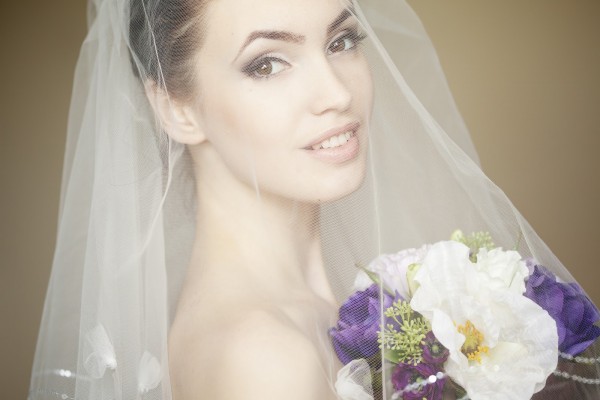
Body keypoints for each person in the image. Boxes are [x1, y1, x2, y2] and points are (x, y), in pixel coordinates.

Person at [29, 0, 600, 399]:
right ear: (177, 107)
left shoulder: (342, 310)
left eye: (341, 40)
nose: (336, 92)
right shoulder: (261, 357)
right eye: (267, 63)